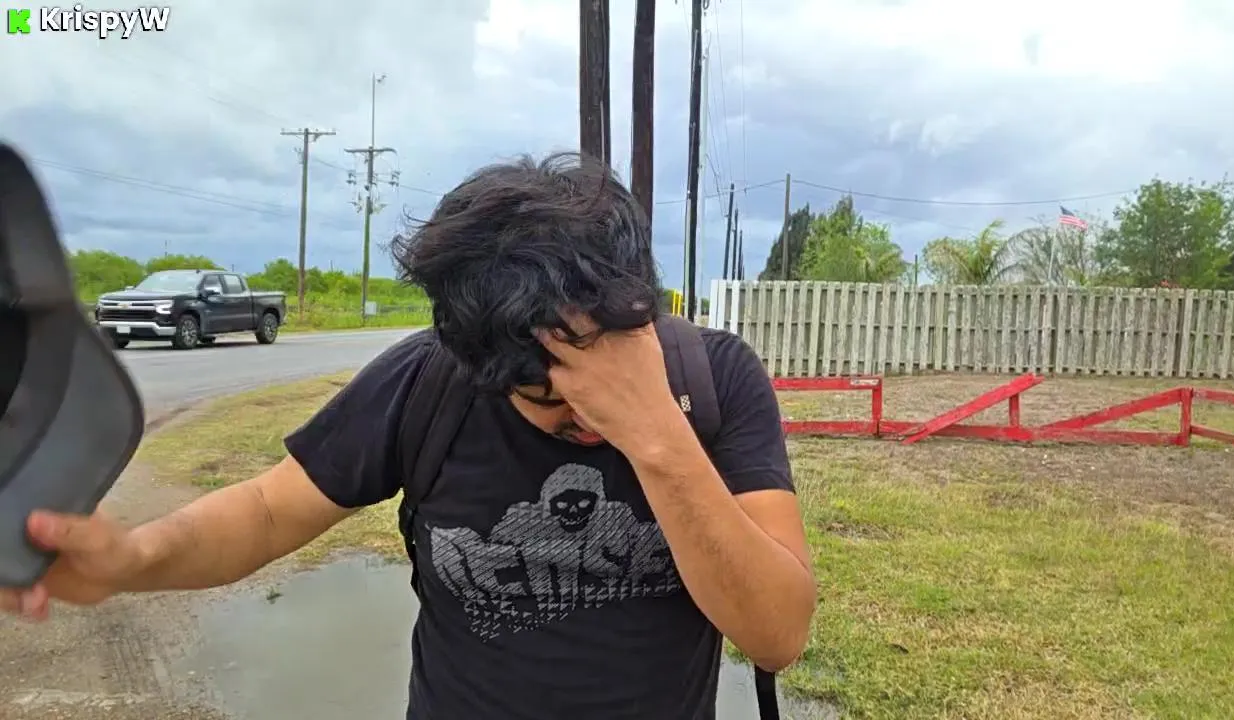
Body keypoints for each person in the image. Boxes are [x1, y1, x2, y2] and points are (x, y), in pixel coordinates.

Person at [0, 153, 816, 719]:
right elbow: (267, 511)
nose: (585, 411)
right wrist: (133, 559)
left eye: (600, 373)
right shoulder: (429, 382)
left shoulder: (716, 379)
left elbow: (777, 635)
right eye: (547, 396)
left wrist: (657, 437)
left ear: (641, 311)